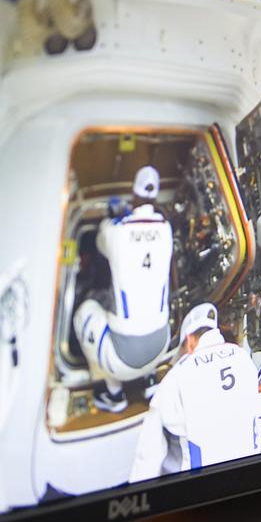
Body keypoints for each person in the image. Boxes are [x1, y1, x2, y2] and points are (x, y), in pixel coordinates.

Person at [128, 303, 261, 482]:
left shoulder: (176, 377)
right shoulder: (243, 358)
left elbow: (147, 456)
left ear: (189, 341)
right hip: (250, 482)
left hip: (199, 494)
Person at [73, 166, 173, 413]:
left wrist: (113, 217)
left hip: (123, 357)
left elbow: (98, 242)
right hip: (161, 346)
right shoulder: (166, 229)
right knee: (145, 307)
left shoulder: (117, 230)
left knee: (83, 312)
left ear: (134, 194)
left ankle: (113, 393)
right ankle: (150, 381)